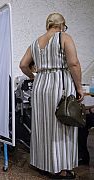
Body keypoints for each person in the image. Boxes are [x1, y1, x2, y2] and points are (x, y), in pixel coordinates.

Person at [19, 13, 84, 179]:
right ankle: (60, 169)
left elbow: (23, 65)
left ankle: (44, 165)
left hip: (40, 87)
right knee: (62, 125)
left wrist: (35, 77)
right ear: (62, 25)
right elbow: (73, 63)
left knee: (42, 126)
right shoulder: (64, 37)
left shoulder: (35, 42)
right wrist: (79, 88)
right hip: (59, 85)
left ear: (48, 24)